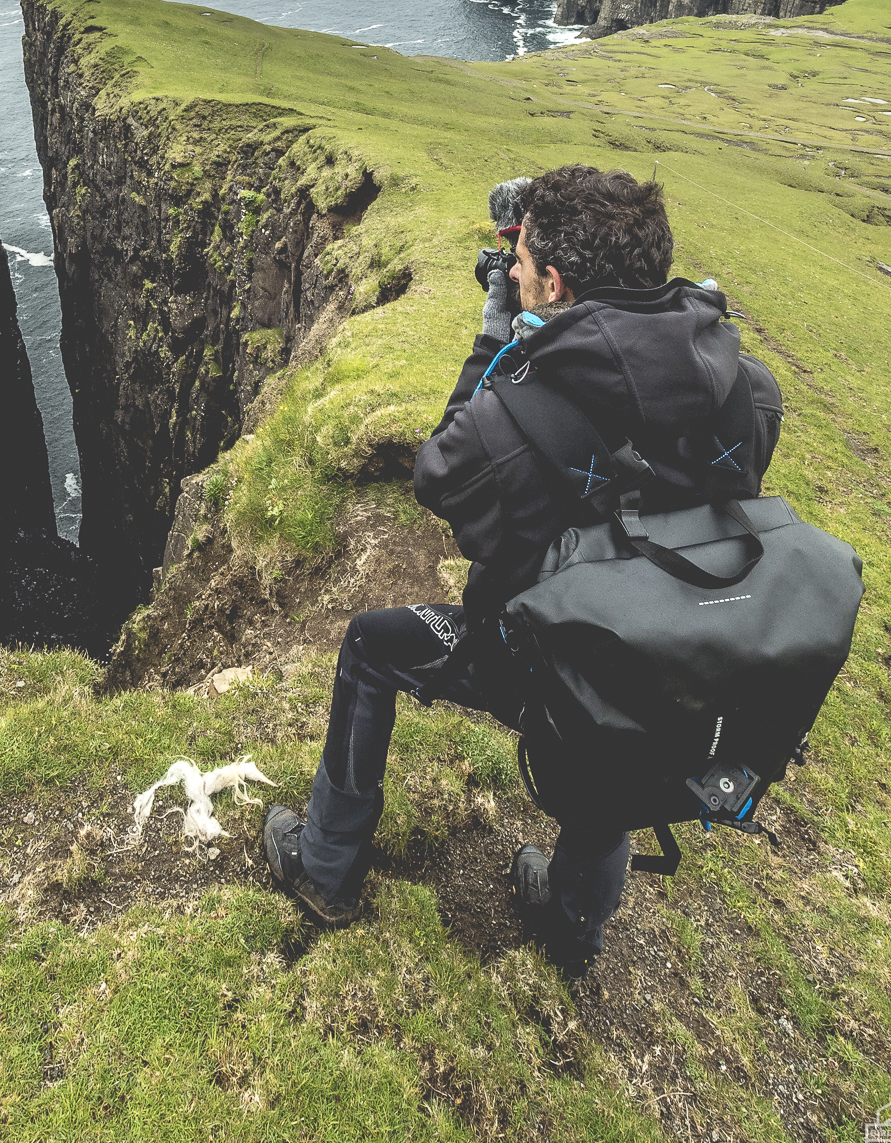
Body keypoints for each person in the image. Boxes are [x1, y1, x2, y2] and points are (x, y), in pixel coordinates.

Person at [262, 165, 783, 973]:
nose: (510, 269)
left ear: (555, 283)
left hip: (545, 663)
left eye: (522, 261)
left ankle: (324, 867)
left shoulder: (517, 413)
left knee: (372, 645)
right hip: (679, 665)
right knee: (618, 714)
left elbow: (442, 475)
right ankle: (573, 925)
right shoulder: (748, 389)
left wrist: (497, 340)